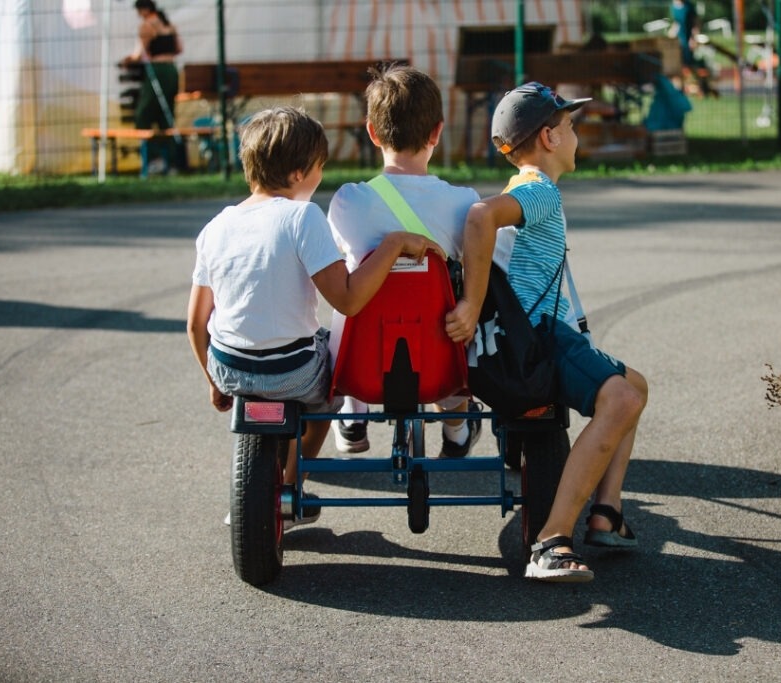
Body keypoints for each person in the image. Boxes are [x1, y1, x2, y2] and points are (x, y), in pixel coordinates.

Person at [187, 106, 443, 527]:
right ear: (297, 175)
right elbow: (347, 299)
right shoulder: (302, 217)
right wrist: (394, 244)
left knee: (282, 359)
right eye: (319, 169)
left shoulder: (217, 225)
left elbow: (196, 323)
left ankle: (273, 490)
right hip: (293, 371)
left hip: (229, 367)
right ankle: (291, 483)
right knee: (330, 385)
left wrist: (213, 381)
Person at [445, 83, 649, 582]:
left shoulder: (530, 189)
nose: (577, 135)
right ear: (549, 137)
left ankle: (607, 513)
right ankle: (553, 540)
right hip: (543, 335)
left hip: (541, 330)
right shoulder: (537, 190)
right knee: (621, 399)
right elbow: (479, 216)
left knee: (636, 386)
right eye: (572, 126)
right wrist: (470, 304)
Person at [327, 64, 482, 458]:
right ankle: (457, 427)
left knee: (349, 281)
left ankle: (351, 412)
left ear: (372, 132)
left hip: (361, 365)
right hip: (438, 363)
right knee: (453, 300)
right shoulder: (464, 203)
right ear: (437, 132)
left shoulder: (348, 201)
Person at [122, 0, 182, 173]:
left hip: (157, 71)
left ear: (145, 10)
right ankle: (171, 162)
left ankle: (153, 158)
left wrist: (129, 60)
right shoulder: (170, 25)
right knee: (167, 116)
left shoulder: (147, 26)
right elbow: (179, 48)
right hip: (172, 70)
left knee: (143, 115)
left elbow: (138, 54)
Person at [669, 0, 717, 98]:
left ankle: (703, 85)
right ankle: (681, 89)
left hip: (688, 39)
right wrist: (670, 36)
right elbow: (676, 23)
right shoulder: (673, 6)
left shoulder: (688, 6)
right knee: (679, 66)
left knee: (689, 65)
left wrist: (694, 38)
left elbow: (696, 23)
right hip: (678, 40)